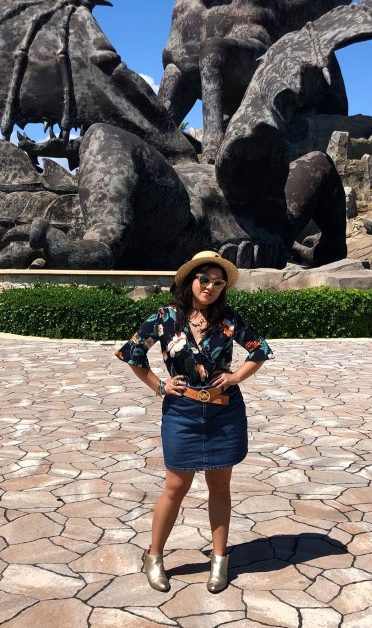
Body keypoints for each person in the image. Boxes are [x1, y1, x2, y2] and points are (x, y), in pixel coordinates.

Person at [116, 250, 273, 593]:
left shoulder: (228, 319)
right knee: (176, 487)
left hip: (224, 411)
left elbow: (259, 349)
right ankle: (154, 556)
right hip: (182, 412)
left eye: (218, 283)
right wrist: (159, 385)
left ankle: (219, 560)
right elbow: (133, 353)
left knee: (219, 485)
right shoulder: (165, 317)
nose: (210, 287)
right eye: (205, 279)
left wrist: (235, 377)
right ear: (190, 281)